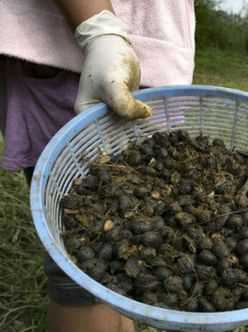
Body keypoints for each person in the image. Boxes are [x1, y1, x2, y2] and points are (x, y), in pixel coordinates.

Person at [0, 0, 196, 331]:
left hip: (155, 62)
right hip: (73, 51)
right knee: (83, 271)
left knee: (125, 263)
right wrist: (98, 29)